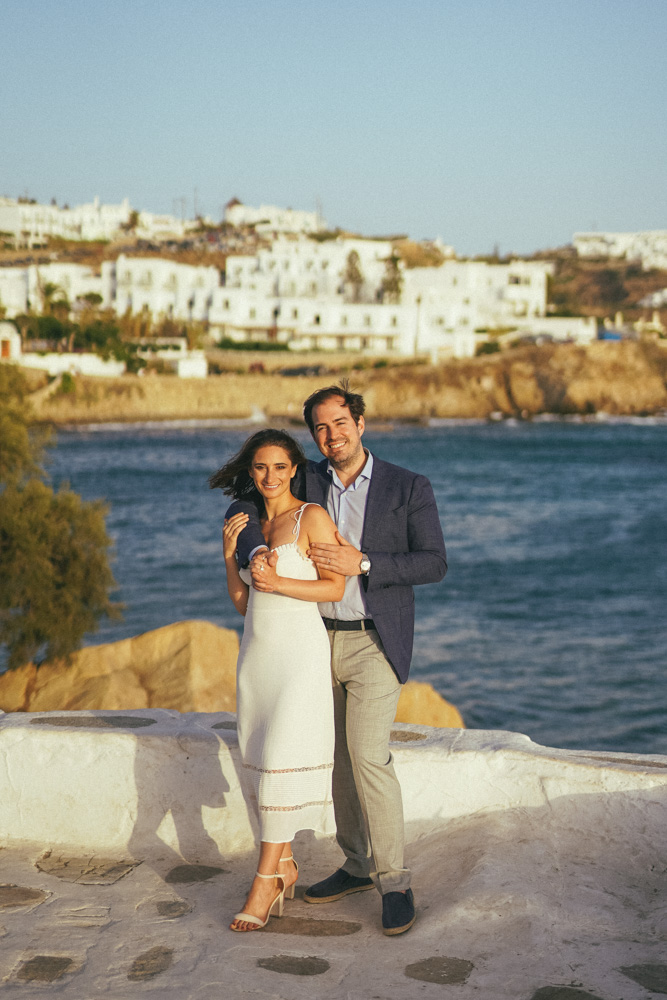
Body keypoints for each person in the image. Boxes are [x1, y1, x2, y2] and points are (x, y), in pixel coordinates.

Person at [230, 382, 447, 936]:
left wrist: (365, 563)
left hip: (374, 639)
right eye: (320, 428)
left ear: (361, 423)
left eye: (340, 423)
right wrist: (252, 544)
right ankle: (354, 864)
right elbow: (250, 495)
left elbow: (434, 562)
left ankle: (394, 881)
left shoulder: (407, 486)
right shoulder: (307, 478)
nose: (331, 436)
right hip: (312, 639)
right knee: (338, 761)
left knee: (369, 757)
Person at [210, 429, 344, 932]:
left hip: (299, 658)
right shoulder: (246, 524)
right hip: (258, 657)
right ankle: (285, 865)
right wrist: (230, 559)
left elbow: (334, 587)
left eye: (280, 468)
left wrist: (280, 580)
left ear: (294, 469)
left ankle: (264, 881)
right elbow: (245, 603)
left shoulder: (311, 517)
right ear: (252, 471)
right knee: (267, 761)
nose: (270, 477)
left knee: (284, 756)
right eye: (261, 468)